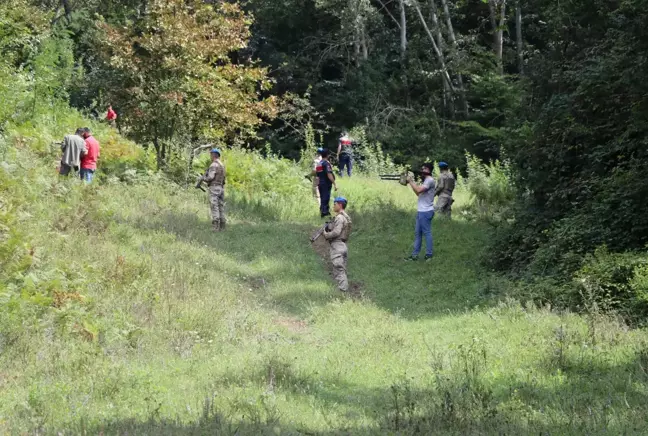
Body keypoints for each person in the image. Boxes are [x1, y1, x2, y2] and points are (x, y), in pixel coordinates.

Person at [405, 163, 436, 261]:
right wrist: (411, 183)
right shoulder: (426, 180)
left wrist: (410, 181)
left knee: (427, 233)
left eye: (425, 168)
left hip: (426, 211)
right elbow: (418, 193)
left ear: (429, 170)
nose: (422, 169)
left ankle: (429, 255)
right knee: (418, 234)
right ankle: (414, 255)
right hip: (421, 211)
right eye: (422, 168)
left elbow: (418, 190)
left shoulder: (430, 180)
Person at [324, 196, 352, 292]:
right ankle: (342, 289)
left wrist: (327, 235)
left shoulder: (340, 217)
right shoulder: (345, 217)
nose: (333, 206)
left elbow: (336, 232)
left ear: (340, 205)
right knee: (341, 269)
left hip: (337, 245)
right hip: (343, 245)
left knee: (338, 268)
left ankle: (342, 290)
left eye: (335, 204)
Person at [202, 148, 227, 231]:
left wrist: (203, 178)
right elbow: (224, 179)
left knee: (214, 207)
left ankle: (215, 227)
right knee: (221, 207)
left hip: (214, 188)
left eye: (211, 154)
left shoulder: (213, 165)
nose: (210, 156)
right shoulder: (222, 165)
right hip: (221, 188)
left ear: (214, 155)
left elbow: (210, 177)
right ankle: (222, 227)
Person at [315, 149, 338, 218]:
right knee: (326, 198)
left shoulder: (319, 163)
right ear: (327, 155)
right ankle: (325, 213)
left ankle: (324, 212)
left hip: (320, 183)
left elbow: (317, 175)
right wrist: (334, 183)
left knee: (323, 198)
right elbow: (329, 174)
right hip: (325, 183)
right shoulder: (326, 163)